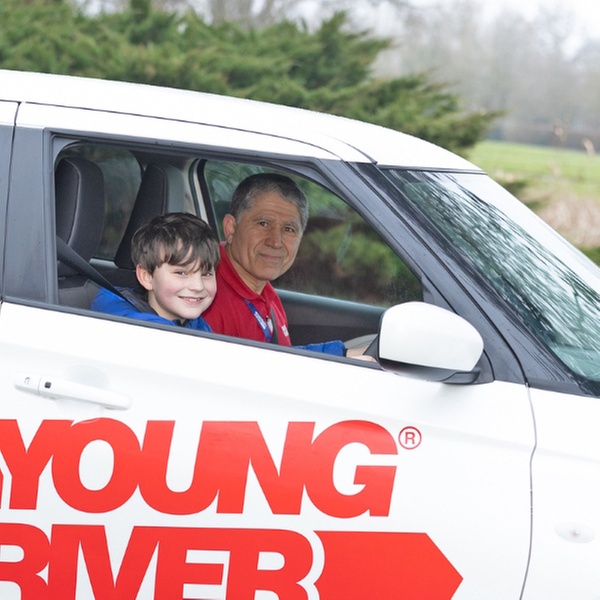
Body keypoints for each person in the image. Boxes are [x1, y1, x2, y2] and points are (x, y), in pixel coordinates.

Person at [203, 173, 363, 357]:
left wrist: (346, 354)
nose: (275, 242)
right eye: (263, 223)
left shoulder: (262, 290)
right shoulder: (203, 297)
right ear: (231, 228)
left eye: (288, 229)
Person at [92, 212, 219, 331]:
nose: (198, 286)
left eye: (206, 274)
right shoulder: (131, 327)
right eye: (181, 273)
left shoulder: (198, 325)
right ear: (147, 276)